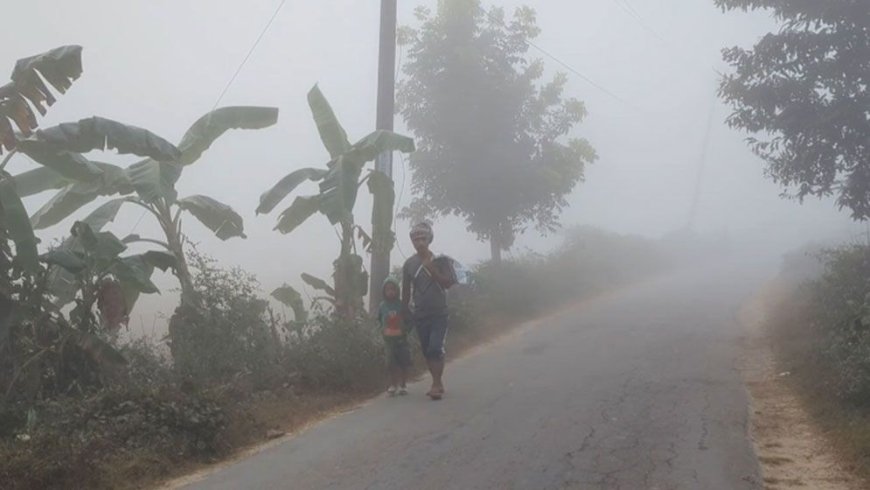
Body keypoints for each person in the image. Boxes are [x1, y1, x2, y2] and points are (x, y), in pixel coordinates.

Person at [402, 222, 457, 400]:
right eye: (415, 239)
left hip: (439, 312)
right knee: (427, 350)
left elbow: (448, 283)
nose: (419, 242)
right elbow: (406, 290)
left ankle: (436, 383)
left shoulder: (441, 260)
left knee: (435, 347)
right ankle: (436, 379)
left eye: (422, 238)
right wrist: (404, 312)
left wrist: (430, 267)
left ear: (429, 239)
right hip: (420, 313)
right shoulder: (409, 264)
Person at [378, 276, 411, 397]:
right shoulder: (382, 306)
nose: (390, 292)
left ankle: (403, 385)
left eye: (393, 289)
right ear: (384, 291)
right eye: (388, 289)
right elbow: (379, 320)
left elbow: (409, 320)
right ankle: (393, 384)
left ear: (397, 290)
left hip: (401, 340)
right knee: (390, 362)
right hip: (388, 341)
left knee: (403, 362)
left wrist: (406, 330)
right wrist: (382, 330)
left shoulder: (402, 305)